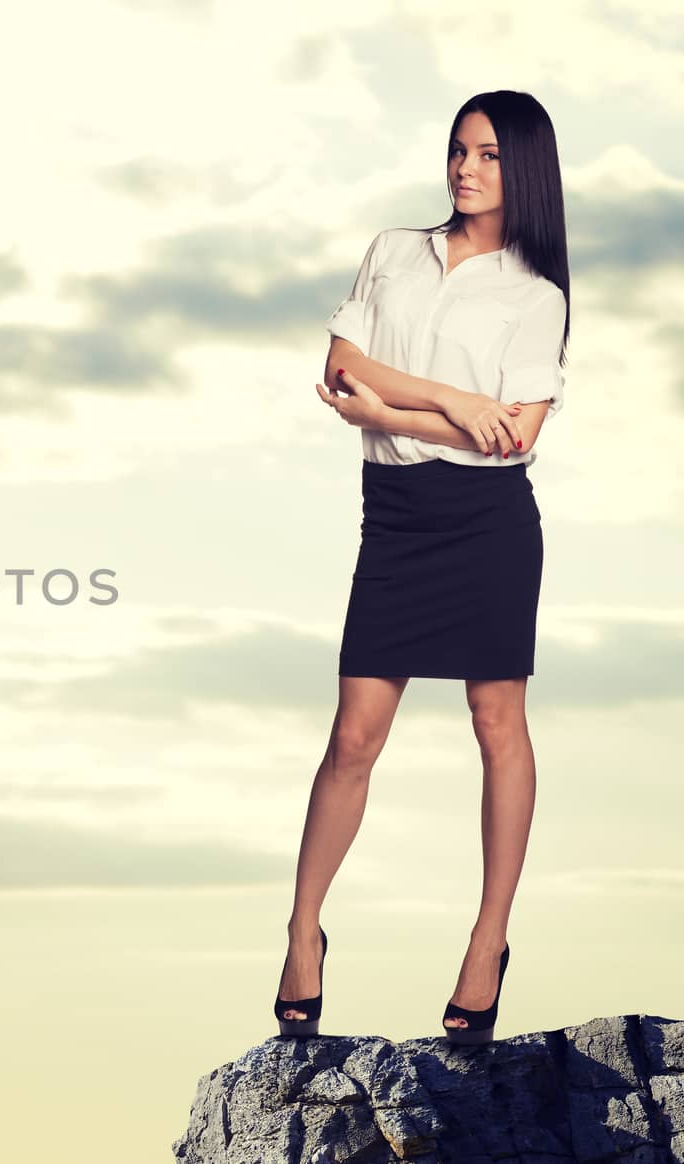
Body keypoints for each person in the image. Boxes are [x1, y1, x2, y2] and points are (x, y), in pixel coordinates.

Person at [272, 90, 571, 1045]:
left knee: (498, 725)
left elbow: (511, 439)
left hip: (488, 523)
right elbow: (343, 366)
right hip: (396, 516)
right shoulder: (394, 251)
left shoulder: (538, 296)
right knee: (355, 735)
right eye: (456, 151)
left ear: (522, 166)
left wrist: (387, 413)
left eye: (485, 154)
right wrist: (446, 397)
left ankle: (489, 942)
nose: (464, 169)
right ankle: (301, 932)